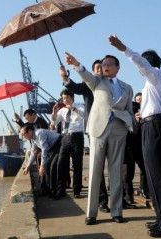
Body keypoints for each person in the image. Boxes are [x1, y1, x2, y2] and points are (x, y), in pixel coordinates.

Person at [109, 34, 161, 238]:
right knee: (155, 174)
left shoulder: (155, 74)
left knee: (159, 175)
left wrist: (123, 48)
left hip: (154, 127)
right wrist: (141, 114)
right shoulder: (152, 84)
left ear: (150, 63)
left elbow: (141, 62)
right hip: (151, 126)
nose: (140, 70)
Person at [64, 51, 134, 225]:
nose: (105, 66)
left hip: (119, 130)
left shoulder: (127, 87)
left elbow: (130, 110)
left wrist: (132, 124)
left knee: (116, 171)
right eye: (103, 64)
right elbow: (86, 75)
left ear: (118, 67)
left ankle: (117, 211)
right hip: (98, 130)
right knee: (95, 171)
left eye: (110, 63)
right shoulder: (97, 81)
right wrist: (76, 64)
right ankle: (91, 213)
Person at [60, 61, 111, 213]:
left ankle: (120, 198)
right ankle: (102, 201)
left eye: (102, 68)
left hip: (113, 128)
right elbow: (74, 87)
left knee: (117, 166)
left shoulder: (112, 84)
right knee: (98, 166)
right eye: (96, 68)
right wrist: (65, 77)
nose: (99, 70)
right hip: (95, 129)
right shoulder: (88, 85)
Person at [50, 89, 84, 199]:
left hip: (77, 136)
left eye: (67, 98)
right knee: (61, 163)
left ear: (72, 97)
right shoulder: (62, 110)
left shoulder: (80, 105)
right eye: (63, 98)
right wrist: (54, 111)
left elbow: (83, 115)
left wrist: (73, 108)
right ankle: (61, 189)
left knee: (77, 164)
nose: (65, 100)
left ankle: (77, 190)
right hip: (65, 137)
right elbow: (54, 123)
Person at [21, 124, 62, 197]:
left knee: (51, 167)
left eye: (24, 134)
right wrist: (28, 166)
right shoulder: (33, 139)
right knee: (48, 168)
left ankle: (54, 191)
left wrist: (42, 165)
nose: (24, 137)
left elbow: (44, 148)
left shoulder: (39, 133)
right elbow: (33, 153)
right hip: (52, 148)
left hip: (59, 144)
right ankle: (48, 190)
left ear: (29, 131)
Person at [133, 92, 150, 200]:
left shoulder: (148, 111)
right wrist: (136, 120)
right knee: (127, 171)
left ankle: (143, 188)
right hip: (133, 144)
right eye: (137, 100)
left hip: (144, 144)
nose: (139, 102)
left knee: (144, 167)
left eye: (141, 100)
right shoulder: (132, 111)